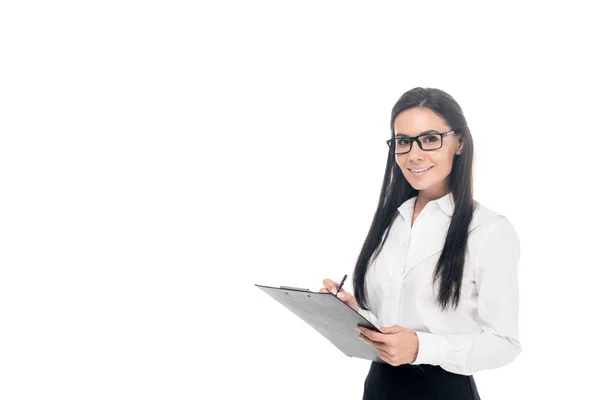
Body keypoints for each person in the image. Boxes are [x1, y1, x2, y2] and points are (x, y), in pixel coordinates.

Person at [320, 87, 521, 399]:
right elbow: (392, 319)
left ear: (460, 142)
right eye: (403, 142)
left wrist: (421, 347)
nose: (414, 155)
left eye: (429, 139)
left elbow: (505, 344)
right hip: (379, 388)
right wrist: (354, 313)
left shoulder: (489, 230)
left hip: (444, 391)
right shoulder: (390, 221)